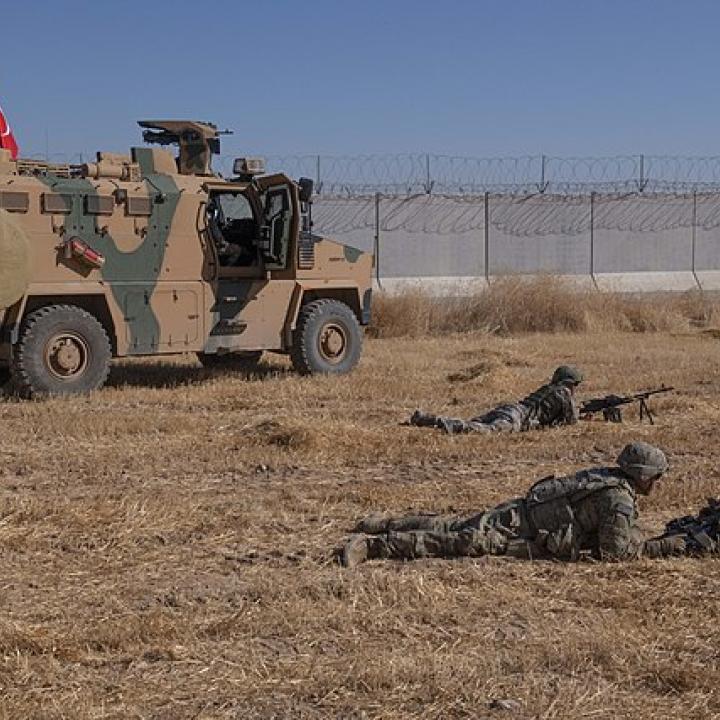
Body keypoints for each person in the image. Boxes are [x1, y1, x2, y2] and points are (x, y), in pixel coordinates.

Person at [339, 441, 685, 568]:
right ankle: (373, 546)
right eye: (657, 476)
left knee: (455, 524)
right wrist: (661, 546)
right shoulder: (618, 500)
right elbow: (616, 554)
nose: (659, 482)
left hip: (520, 511)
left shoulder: (606, 476)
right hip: (527, 533)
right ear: (642, 476)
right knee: (459, 541)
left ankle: (385, 522)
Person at [409, 365, 583, 434]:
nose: (575, 388)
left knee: (471, 424)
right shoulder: (564, 393)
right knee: (479, 431)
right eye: (575, 385)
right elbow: (571, 422)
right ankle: (435, 421)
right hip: (517, 418)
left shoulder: (549, 389)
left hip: (510, 408)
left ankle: (425, 418)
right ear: (568, 383)